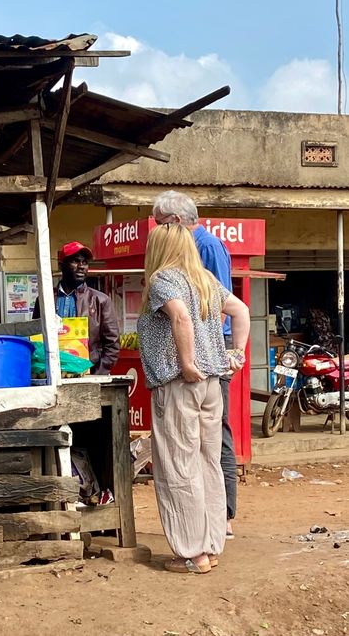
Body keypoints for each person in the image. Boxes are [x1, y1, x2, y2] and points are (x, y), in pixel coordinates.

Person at [137, 224, 249, 573]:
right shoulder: (205, 280)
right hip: (212, 384)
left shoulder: (163, 280)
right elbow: (242, 310)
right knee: (207, 463)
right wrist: (238, 355)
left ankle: (192, 553)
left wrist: (186, 363)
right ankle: (211, 546)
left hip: (179, 384)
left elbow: (180, 317)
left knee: (177, 465)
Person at [152, 190, 237, 540]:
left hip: (200, 366)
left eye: (158, 224)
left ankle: (215, 527)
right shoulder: (182, 263)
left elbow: (209, 311)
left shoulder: (205, 249)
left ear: (174, 223)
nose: (156, 231)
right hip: (204, 363)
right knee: (202, 450)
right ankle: (211, 534)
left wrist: (195, 358)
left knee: (202, 450)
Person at [33, 241, 120, 374]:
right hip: (51, 374)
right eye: (75, 261)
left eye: (85, 262)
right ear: (62, 265)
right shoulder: (45, 300)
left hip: (89, 375)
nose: (81, 266)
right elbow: (36, 337)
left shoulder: (101, 301)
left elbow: (112, 345)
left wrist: (97, 375)